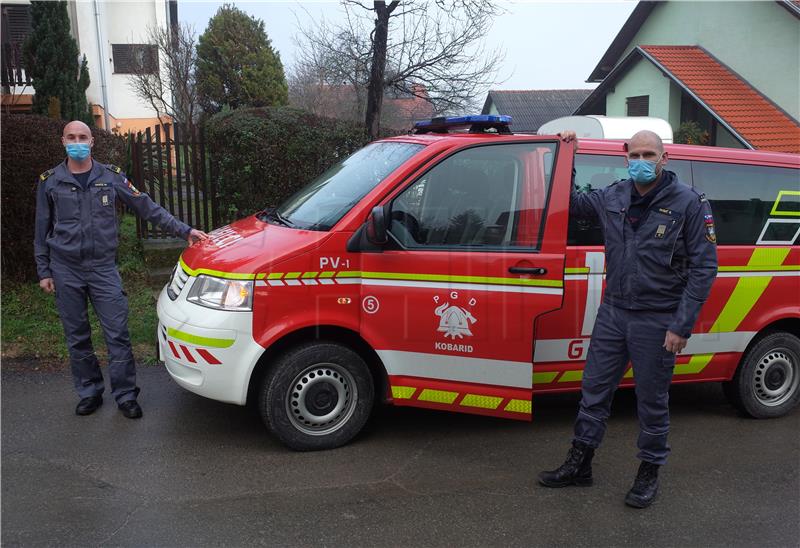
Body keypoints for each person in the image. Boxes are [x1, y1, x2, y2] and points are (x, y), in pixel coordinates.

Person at [538, 130, 718, 508]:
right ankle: (580, 463)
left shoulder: (688, 203)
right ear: (625, 157)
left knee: (651, 400)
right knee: (593, 390)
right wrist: (567, 152)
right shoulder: (613, 195)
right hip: (614, 312)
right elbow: (568, 203)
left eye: (648, 154)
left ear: (663, 158)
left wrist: (680, 325)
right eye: (634, 153)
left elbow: (704, 267)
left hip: (658, 318)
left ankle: (649, 471)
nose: (641, 160)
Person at [34, 120, 209, 419]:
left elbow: (147, 207)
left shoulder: (111, 177)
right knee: (77, 336)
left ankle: (125, 395)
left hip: (102, 269)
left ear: (92, 142)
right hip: (65, 269)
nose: (78, 141)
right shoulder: (50, 181)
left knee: (117, 334)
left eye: (83, 137)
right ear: (63, 141)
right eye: (72, 137)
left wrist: (183, 230)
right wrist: (44, 270)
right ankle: (89, 392)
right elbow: (41, 228)